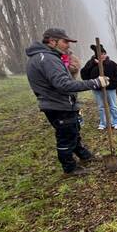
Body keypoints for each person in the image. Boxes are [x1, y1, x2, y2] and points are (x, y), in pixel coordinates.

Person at [26, 28, 109, 176]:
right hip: (58, 105)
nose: (68, 45)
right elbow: (64, 84)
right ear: (52, 41)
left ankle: (84, 155)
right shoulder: (48, 59)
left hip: (59, 103)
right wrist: (95, 82)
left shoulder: (46, 57)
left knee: (73, 131)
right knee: (66, 136)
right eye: (65, 42)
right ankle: (70, 168)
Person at [80, 44, 117, 130]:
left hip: (110, 89)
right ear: (97, 55)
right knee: (101, 107)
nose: (103, 55)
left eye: (104, 53)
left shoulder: (112, 64)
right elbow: (84, 75)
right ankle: (103, 123)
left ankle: (116, 122)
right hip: (97, 90)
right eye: (101, 54)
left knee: (113, 106)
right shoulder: (91, 64)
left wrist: (110, 84)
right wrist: (92, 64)